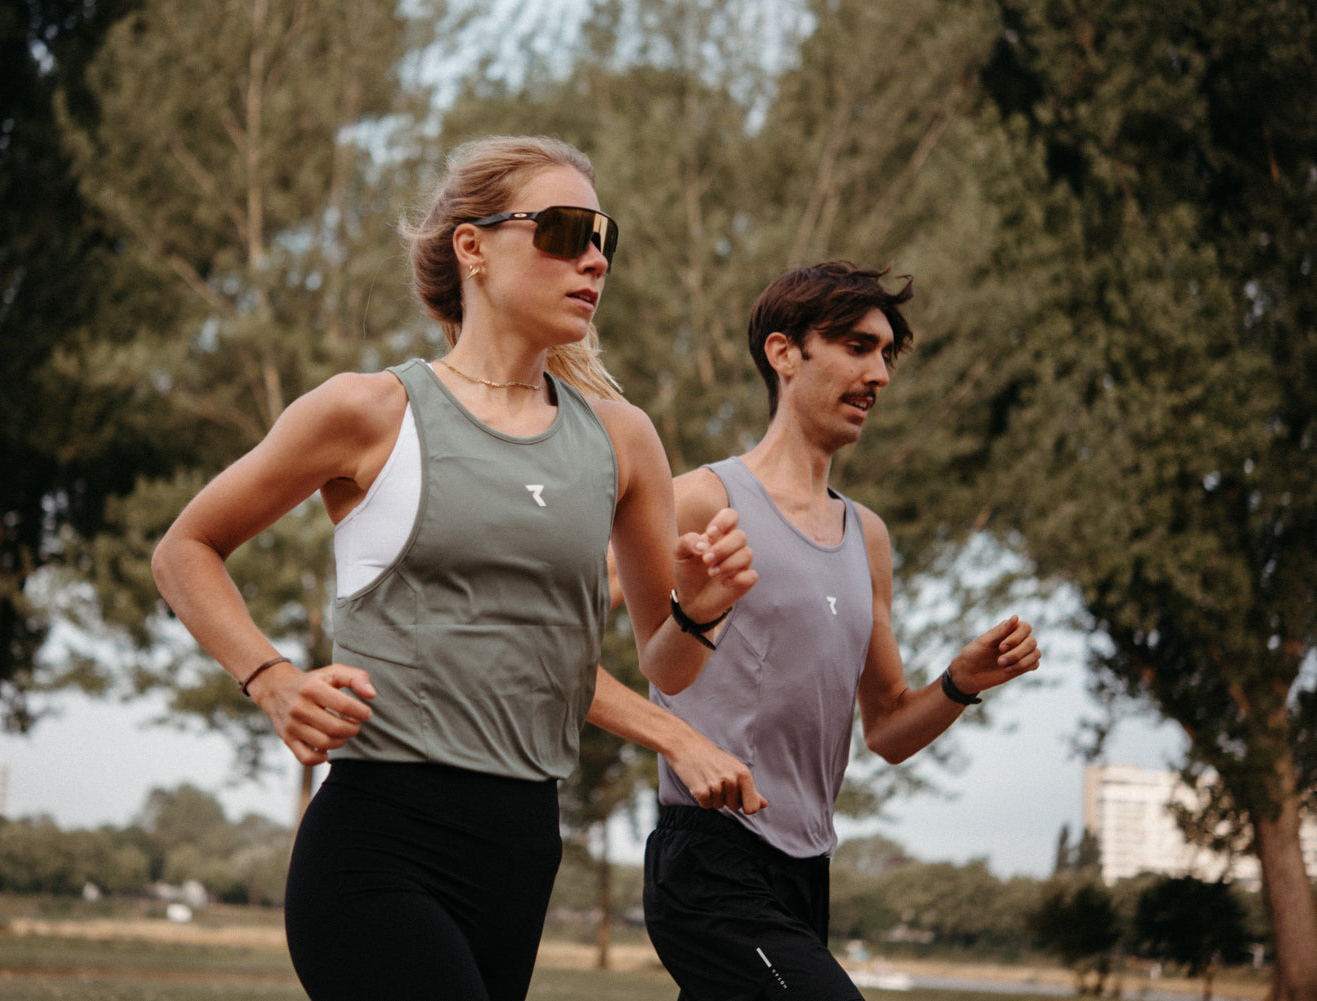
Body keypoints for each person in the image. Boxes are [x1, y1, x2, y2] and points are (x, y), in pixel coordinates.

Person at [150, 135, 759, 1001]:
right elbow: (184, 549)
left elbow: (667, 662)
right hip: (376, 839)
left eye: (603, 239)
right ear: (472, 247)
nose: (593, 258)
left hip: (522, 845)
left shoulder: (623, 440)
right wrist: (272, 679)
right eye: (563, 230)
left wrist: (699, 611)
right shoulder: (369, 411)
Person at [640, 261, 1043, 1001]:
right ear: (784, 353)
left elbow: (887, 728)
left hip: (805, 869)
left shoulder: (869, 538)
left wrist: (960, 683)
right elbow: (582, 628)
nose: (880, 372)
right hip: (711, 861)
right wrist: (677, 735)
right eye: (858, 346)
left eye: (887, 354)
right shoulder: (703, 498)